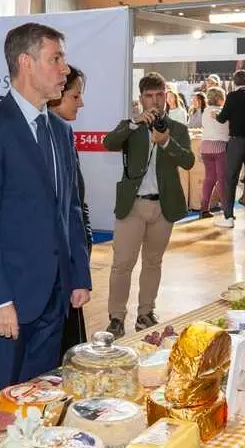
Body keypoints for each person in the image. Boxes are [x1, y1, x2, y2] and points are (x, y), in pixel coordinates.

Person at [0, 23, 91, 405]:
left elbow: (68, 209)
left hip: (53, 299)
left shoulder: (60, 132)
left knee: (38, 407)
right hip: (6, 304)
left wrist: (78, 275)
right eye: (56, 59)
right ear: (26, 63)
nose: (65, 70)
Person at [103, 72, 195, 337]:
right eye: (149, 96)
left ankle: (145, 313)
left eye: (159, 95)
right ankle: (116, 318)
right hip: (132, 205)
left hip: (163, 206)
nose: (154, 101)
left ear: (166, 97)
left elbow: (188, 161)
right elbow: (109, 142)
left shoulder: (177, 129)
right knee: (122, 263)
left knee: (153, 262)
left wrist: (165, 141)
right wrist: (133, 124)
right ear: (141, 99)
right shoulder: (131, 126)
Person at [49, 65, 92, 355]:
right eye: (75, 96)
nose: (81, 102)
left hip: (69, 267)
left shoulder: (64, 135)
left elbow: (76, 203)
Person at [214, 69, 245, 228]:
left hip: (236, 142)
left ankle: (228, 217)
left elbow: (222, 118)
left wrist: (216, 115)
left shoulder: (232, 97)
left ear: (234, 82)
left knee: (231, 179)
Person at [197, 86, 228, 218]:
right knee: (222, 179)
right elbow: (227, 131)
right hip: (219, 146)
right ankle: (227, 209)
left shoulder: (205, 111)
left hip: (205, 147)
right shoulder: (222, 112)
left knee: (209, 179)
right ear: (220, 98)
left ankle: (204, 209)